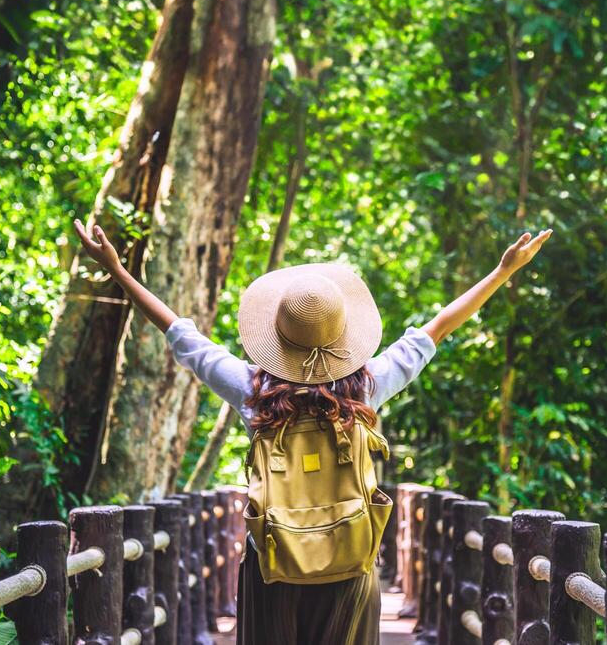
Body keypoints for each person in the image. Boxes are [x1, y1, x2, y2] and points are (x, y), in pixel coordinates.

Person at [70, 218, 553, 645]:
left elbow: (181, 334)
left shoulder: (250, 391)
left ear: (275, 337)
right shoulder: (366, 388)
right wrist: (503, 270)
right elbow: (437, 328)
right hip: (349, 559)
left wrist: (118, 270)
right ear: (343, 336)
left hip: (273, 564)